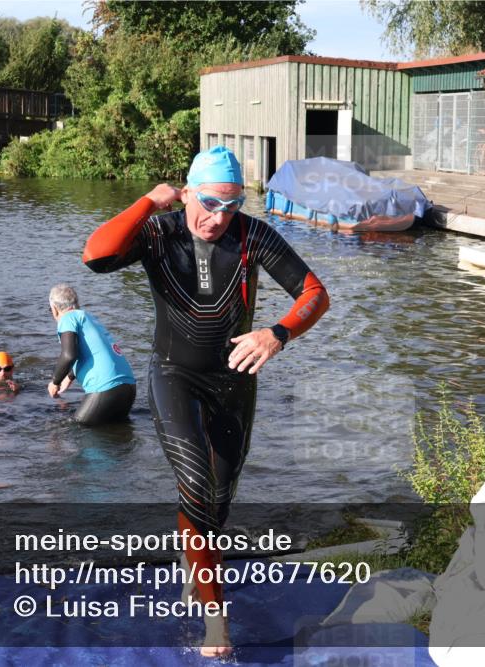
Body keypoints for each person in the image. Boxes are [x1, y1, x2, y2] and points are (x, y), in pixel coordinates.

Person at [82, 145, 329, 657]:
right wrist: (148, 202)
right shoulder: (159, 231)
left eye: (232, 205)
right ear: (188, 191)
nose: (220, 217)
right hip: (174, 374)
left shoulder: (250, 234)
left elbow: (314, 293)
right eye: (211, 203)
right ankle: (217, 620)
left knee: (216, 503)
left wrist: (277, 335)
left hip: (236, 381)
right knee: (194, 483)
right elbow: (97, 256)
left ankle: (196, 569)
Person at [47, 284, 136, 426]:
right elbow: (91, 351)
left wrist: (55, 381)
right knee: (116, 436)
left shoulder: (67, 318)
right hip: (128, 388)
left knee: (76, 428)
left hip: (106, 389)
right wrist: (69, 377)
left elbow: (69, 355)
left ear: (54, 309)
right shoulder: (88, 317)